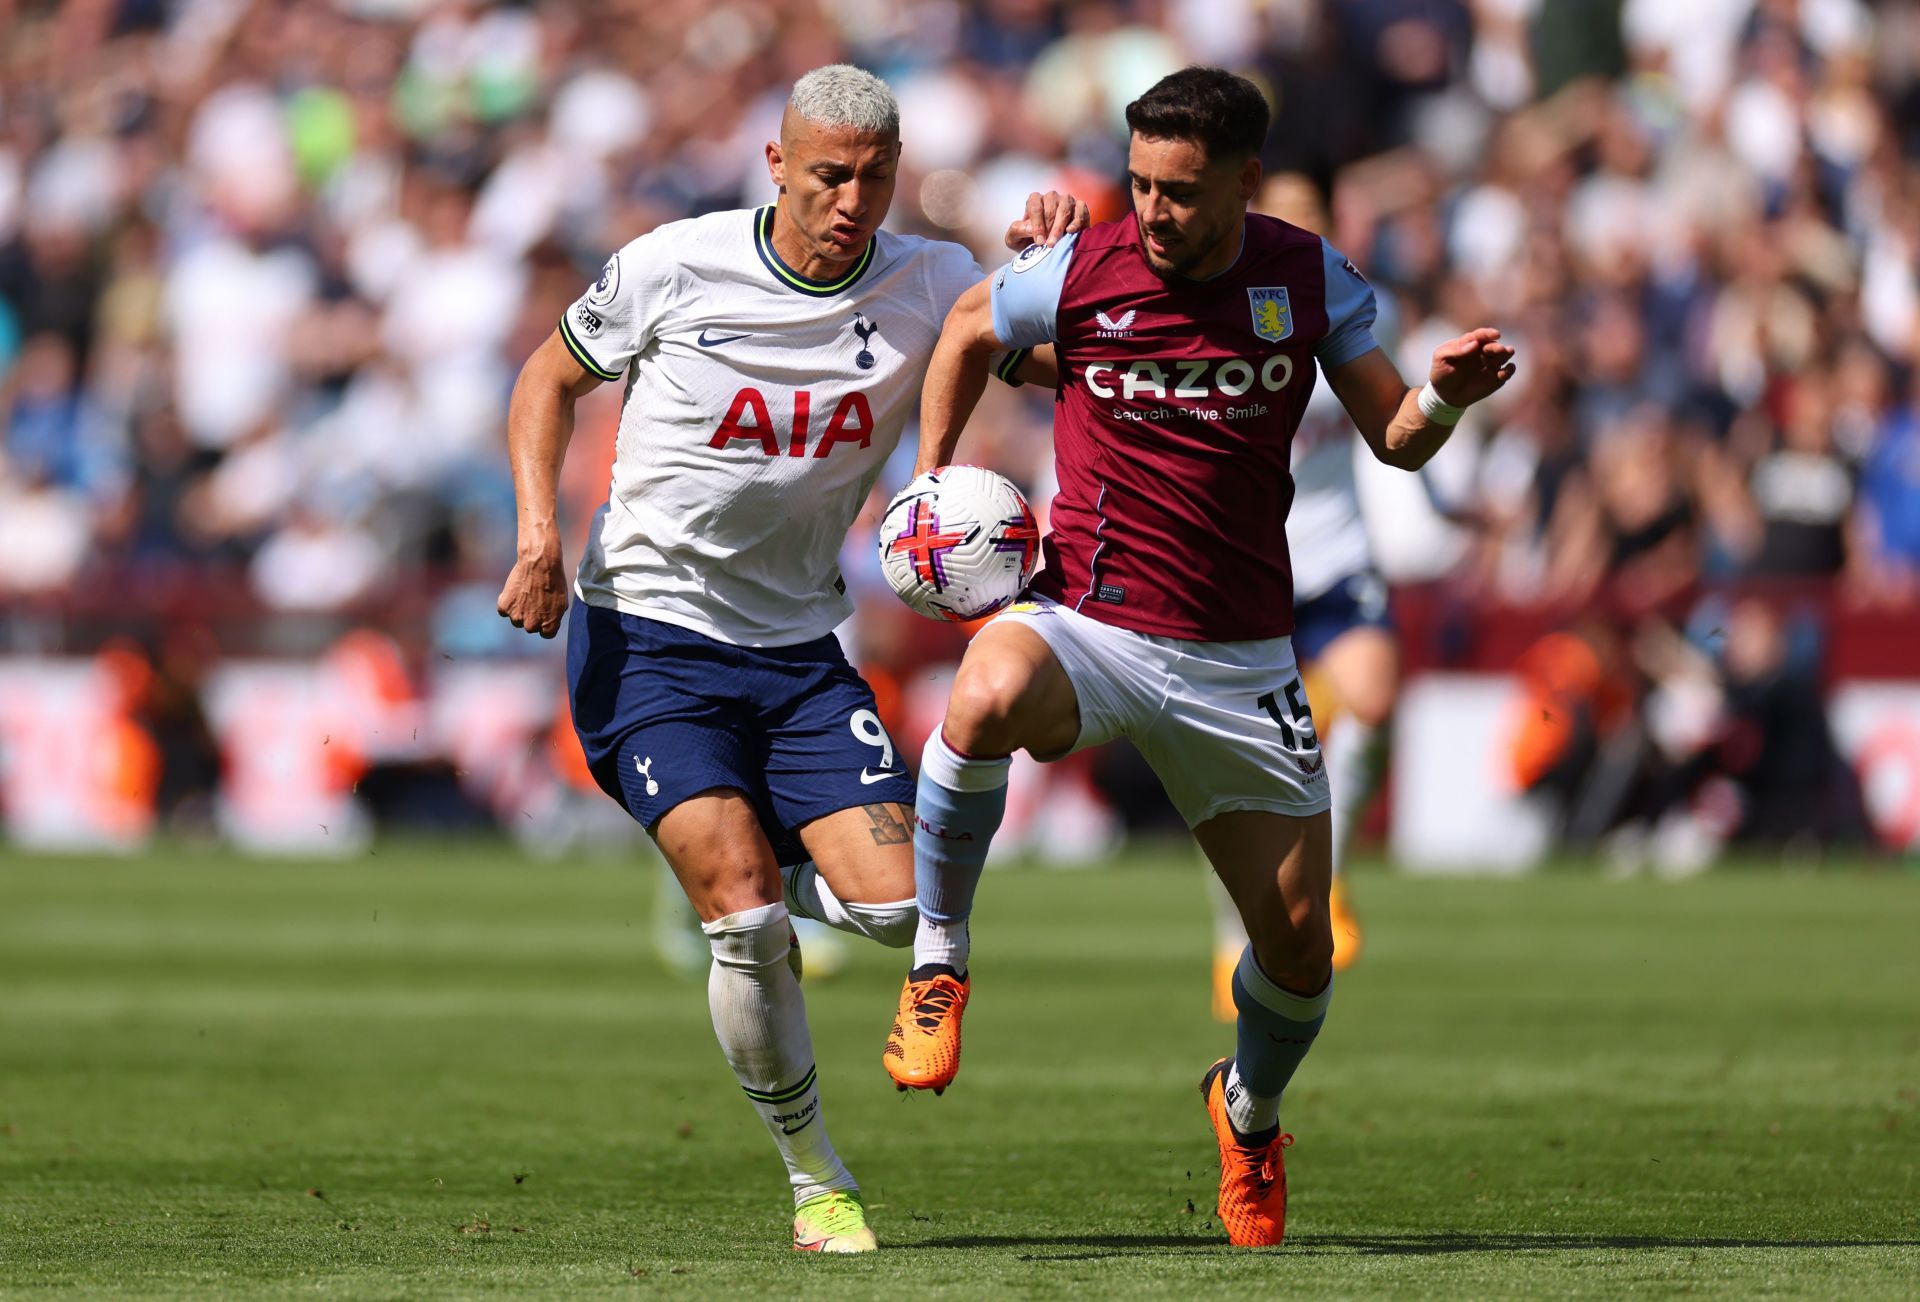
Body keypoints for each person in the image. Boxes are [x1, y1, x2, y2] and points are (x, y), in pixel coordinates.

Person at [881, 67, 1514, 1247]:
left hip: (1238, 661)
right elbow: (974, 324)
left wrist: (1442, 396)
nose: (1154, 212)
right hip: (1091, 623)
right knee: (984, 690)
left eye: (1179, 191)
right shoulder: (1086, 266)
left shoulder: (1306, 275)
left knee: (1297, 950)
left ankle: (1249, 1113)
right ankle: (938, 965)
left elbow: (1397, 441)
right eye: (1138, 185)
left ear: (1244, 182)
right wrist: (931, 472)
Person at [495, 64, 1083, 1254]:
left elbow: (1059, 365)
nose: (851, 200)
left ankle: (768, 853)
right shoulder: (675, 263)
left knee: (901, 909)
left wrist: (1045, 275)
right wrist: (539, 535)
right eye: (827, 175)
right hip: (647, 632)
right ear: (777, 165)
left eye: (874, 178)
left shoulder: (933, 282)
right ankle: (818, 1180)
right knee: (747, 917)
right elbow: (548, 377)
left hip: (799, 646)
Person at [1205, 175, 1403, 1017]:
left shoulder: (1349, 298)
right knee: (1237, 773)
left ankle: (1326, 876)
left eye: (1307, 213)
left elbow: (1389, 422)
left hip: (1333, 558)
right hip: (1244, 564)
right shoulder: (1215, 306)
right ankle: (1231, 938)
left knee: (1374, 704)